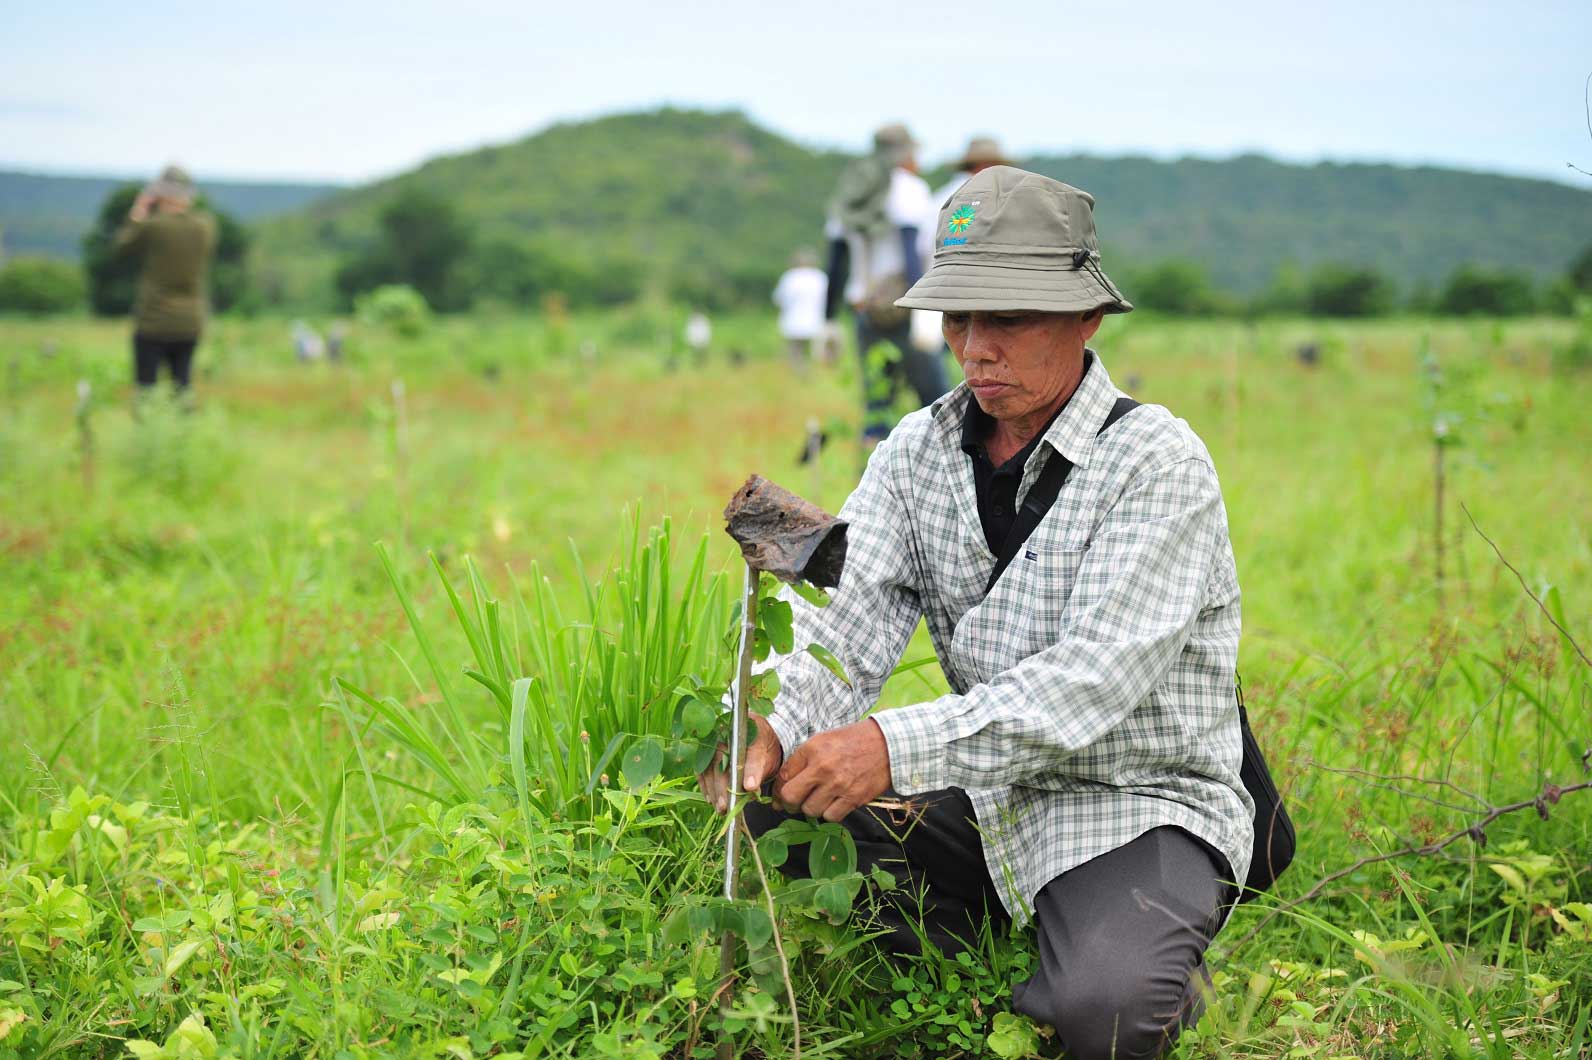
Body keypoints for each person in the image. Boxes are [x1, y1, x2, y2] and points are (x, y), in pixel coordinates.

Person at [703, 167, 1252, 1060]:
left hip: (1134, 800)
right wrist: (770, 722)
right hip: (990, 793)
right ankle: (983, 981)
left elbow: (1088, 685)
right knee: (775, 814)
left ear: (1087, 319)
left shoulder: (1158, 462)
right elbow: (845, 622)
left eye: (1007, 318)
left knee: (1103, 1013)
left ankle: (1141, 953)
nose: (973, 348)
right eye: (958, 318)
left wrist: (889, 746)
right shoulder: (917, 451)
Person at [825, 123, 949, 444]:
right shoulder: (909, 189)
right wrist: (922, 305)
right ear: (906, 154)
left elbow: (836, 261)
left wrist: (828, 319)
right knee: (935, 399)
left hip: (863, 306)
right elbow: (912, 250)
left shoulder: (852, 192)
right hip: (904, 307)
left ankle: (873, 464)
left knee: (877, 399)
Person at [114, 165, 216, 397]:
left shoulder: (153, 226)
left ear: (160, 194)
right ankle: (183, 431)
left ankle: (150, 432)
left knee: (146, 389)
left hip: (153, 320)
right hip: (190, 320)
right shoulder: (205, 226)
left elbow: (121, 248)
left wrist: (138, 214)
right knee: (182, 387)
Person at [910, 136, 1013, 352]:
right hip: (982, 296)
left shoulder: (939, 199)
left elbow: (921, 250)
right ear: (987, 166)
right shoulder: (995, 199)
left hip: (936, 292)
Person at [771, 248, 829, 369]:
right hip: (817, 319)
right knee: (817, 351)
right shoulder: (820, 277)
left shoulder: (789, 277)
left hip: (793, 320)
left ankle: (800, 370)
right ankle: (817, 371)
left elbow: (778, 299)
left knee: (796, 352)